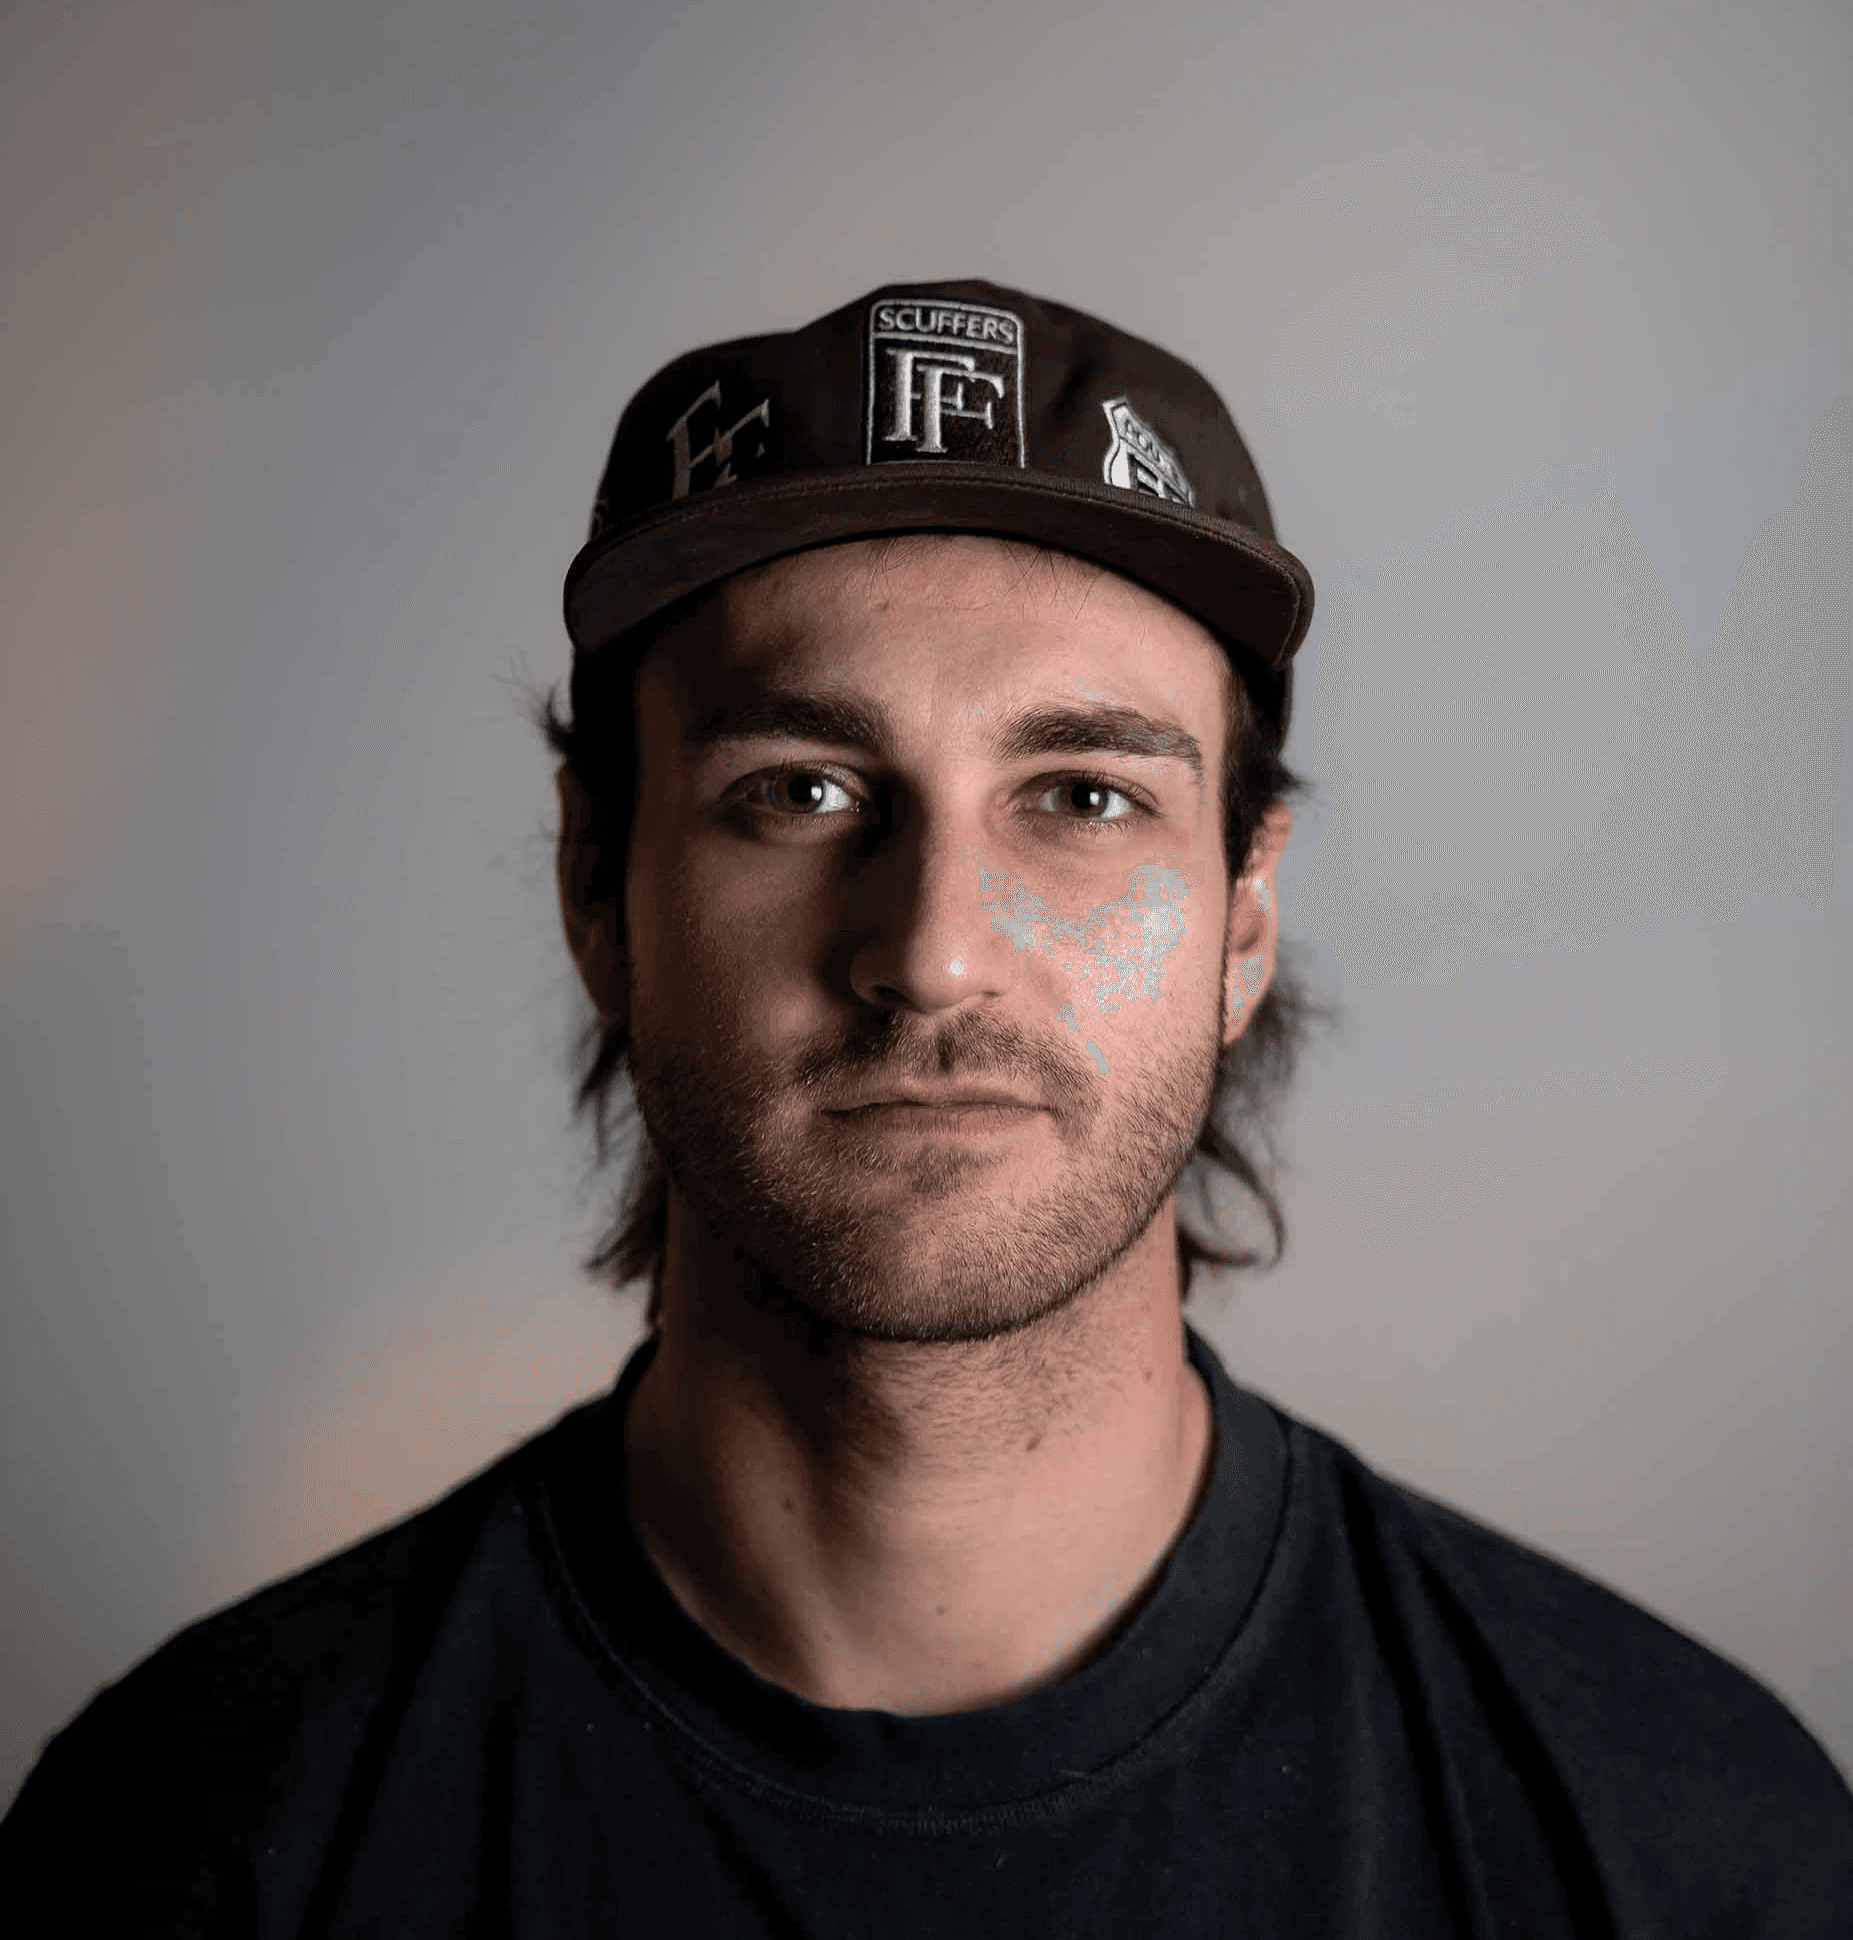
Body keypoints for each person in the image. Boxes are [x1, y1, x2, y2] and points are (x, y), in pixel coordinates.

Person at [3, 279, 1849, 1935]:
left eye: (1086, 797)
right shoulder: (196, 1841)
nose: (935, 951)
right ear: (595, 886)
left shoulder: (1675, 1845)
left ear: (1246, 915)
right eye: (801, 791)